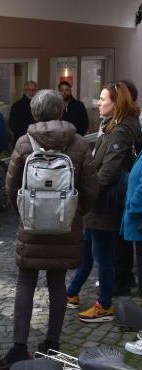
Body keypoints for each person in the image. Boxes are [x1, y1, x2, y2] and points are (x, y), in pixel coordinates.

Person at [0, 90, 98, 369]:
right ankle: (52, 343)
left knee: (26, 283)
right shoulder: (78, 144)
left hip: (32, 223)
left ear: (34, 113)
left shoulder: (24, 143)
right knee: (56, 283)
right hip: (66, 224)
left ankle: (18, 347)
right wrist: (74, 215)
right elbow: (90, 188)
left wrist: (26, 213)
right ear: (62, 111)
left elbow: (10, 185)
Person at [67, 82, 142, 322]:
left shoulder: (120, 130)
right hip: (101, 200)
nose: (98, 102)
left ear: (116, 103)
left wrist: (87, 193)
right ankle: (72, 293)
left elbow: (108, 171)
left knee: (101, 255)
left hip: (105, 201)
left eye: (102, 99)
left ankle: (105, 304)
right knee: (89, 248)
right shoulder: (113, 125)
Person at [114, 79, 142, 297]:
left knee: (125, 244)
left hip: (127, 196)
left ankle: (123, 281)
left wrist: (133, 207)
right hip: (128, 195)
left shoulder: (125, 126)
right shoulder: (125, 123)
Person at [9, 81, 38, 148]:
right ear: (24, 90)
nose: (31, 92)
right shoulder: (17, 106)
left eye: (33, 90)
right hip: (21, 141)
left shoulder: (38, 105)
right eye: (29, 90)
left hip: (36, 141)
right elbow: (12, 124)